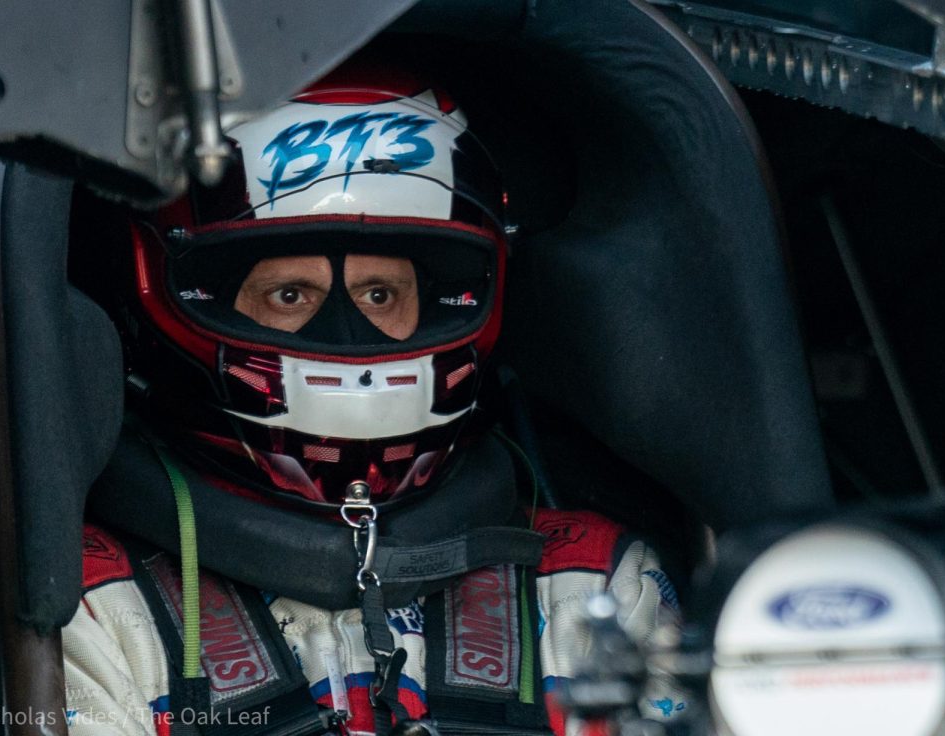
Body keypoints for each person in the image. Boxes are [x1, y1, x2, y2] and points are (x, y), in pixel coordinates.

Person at [62, 59, 685, 736]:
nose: (346, 332)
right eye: (289, 294)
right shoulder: (91, 605)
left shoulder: (591, 587)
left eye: (381, 294)